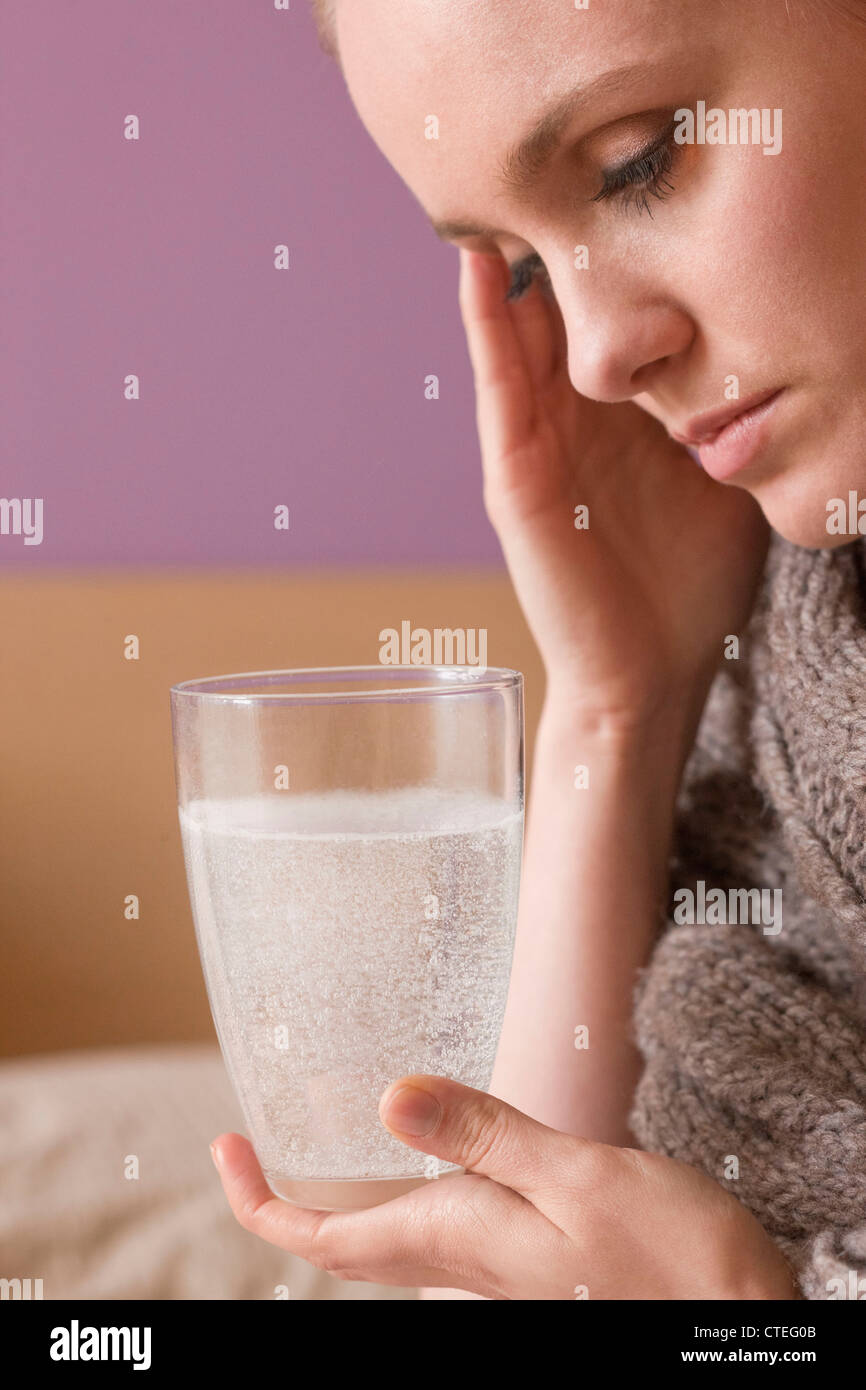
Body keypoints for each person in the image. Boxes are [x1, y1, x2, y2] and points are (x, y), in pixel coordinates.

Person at [210, 0, 866, 1299]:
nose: (599, 355)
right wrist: (619, 703)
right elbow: (511, 1271)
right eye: (517, 266)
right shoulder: (782, 662)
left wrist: (742, 1317)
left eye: (638, 159)